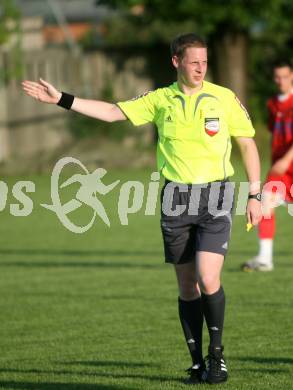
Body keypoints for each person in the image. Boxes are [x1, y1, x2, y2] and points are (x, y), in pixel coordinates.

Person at [22, 33, 262, 385]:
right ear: (176, 62)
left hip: (216, 196)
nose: (200, 68)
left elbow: (247, 144)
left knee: (209, 277)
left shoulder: (223, 98)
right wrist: (62, 99)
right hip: (175, 200)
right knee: (187, 286)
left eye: (205, 62)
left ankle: (217, 355)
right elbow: (111, 112)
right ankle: (196, 361)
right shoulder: (159, 99)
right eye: (194, 62)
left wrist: (255, 194)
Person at [242, 60, 293, 272]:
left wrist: (287, 159)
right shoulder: (272, 104)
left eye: (284, 76)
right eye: (277, 77)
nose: (280, 81)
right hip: (279, 171)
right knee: (265, 204)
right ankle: (264, 259)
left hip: (287, 164)